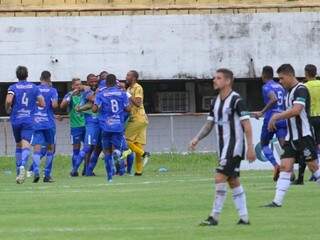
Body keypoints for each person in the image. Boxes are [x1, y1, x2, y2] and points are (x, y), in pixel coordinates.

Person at [189, 68, 256, 226]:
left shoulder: (237, 100)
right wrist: (196, 138)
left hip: (235, 147)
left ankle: (214, 216)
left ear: (227, 81)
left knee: (219, 177)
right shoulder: (215, 101)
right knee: (233, 181)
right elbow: (209, 124)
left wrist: (250, 147)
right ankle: (244, 217)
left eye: (218, 78)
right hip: (223, 148)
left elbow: (247, 125)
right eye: (214, 78)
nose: (214, 80)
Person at [264, 64, 320, 208]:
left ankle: (277, 201)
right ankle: (277, 201)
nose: (280, 81)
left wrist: (276, 117)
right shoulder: (289, 92)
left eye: (282, 78)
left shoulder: (301, 89)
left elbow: (297, 110)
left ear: (290, 75)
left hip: (304, 136)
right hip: (291, 137)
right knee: (285, 167)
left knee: (313, 167)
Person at [5, 66, 45, 184]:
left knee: (18, 144)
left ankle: (19, 172)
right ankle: (23, 165)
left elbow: (8, 101)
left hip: (16, 119)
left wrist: (8, 109)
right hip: (28, 119)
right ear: (27, 74)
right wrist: (33, 102)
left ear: (17, 75)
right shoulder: (33, 87)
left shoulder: (12, 87)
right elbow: (42, 103)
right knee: (26, 144)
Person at [93, 74, 130, 182]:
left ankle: (110, 177)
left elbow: (94, 109)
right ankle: (118, 154)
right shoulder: (122, 93)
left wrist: (99, 105)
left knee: (106, 151)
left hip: (105, 125)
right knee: (116, 148)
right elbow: (128, 109)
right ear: (115, 82)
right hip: (118, 125)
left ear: (106, 83)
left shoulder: (101, 94)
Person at [252, 66, 287, 181]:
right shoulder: (280, 86)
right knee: (283, 146)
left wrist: (262, 112)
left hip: (271, 119)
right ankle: (288, 170)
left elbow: (273, 99)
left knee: (264, 144)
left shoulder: (266, 87)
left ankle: (276, 165)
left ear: (263, 75)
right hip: (282, 117)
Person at [292, 64, 320, 184]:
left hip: (311, 119)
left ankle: (302, 177)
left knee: (307, 147)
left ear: (306, 73)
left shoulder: (303, 87)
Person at [31, 71, 58, 183]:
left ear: (40, 78)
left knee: (37, 147)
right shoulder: (52, 90)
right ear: (49, 78)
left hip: (36, 122)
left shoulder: (34, 89)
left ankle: (36, 169)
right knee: (50, 148)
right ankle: (47, 175)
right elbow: (55, 105)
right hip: (49, 122)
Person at [71, 74, 100, 176]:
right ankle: (74, 170)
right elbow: (93, 101)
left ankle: (88, 171)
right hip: (91, 123)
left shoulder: (95, 89)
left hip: (101, 123)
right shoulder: (87, 90)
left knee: (98, 148)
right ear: (87, 82)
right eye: (91, 82)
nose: (94, 83)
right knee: (87, 148)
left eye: (95, 81)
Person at [125, 70, 150, 176]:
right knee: (137, 144)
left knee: (125, 140)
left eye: (128, 75)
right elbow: (129, 106)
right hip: (138, 118)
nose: (126, 77)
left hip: (138, 118)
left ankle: (144, 154)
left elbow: (138, 103)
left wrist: (127, 94)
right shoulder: (129, 88)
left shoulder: (137, 87)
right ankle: (138, 172)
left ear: (134, 78)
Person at [60, 78, 85, 175]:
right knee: (76, 149)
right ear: (73, 86)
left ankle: (86, 170)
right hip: (76, 126)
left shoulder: (85, 94)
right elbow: (62, 106)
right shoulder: (69, 95)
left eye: (80, 84)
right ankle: (75, 170)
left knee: (88, 148)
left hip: (87, 125)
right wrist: (71, 95)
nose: (79, 87)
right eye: (77, 85)